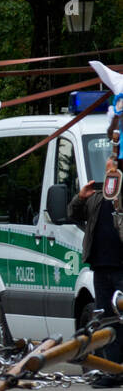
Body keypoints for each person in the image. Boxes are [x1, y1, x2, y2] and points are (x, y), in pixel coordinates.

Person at [68, 153, 123, 379]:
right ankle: (112, 368)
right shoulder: (97, 197)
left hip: (121, 268)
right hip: (101, 267)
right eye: (107, 170)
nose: (109, 174)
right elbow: (72, 214)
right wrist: (81, 197)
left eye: (114, 170)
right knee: (106, 319)